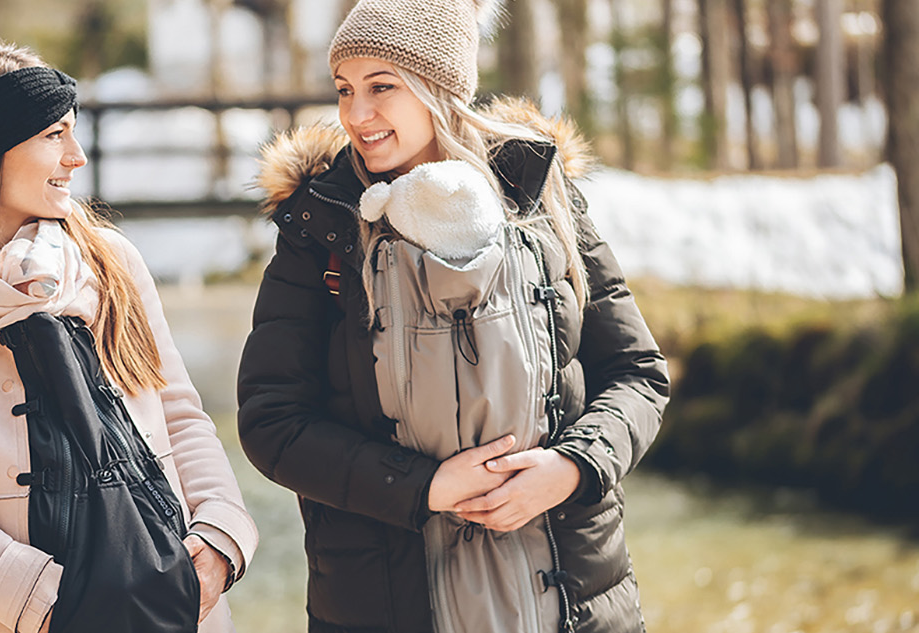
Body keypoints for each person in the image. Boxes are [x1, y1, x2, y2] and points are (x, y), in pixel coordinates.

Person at [236, 0, 669, 631]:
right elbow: (272, 422)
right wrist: (421, 487)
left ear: (440, 86)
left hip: (574, 602)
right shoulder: (321, 224)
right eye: (345, 89)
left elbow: (638, 373)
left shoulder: (543, 197)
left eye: (383, 86)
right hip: (384, 602)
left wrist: (574, 467)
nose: (358, 114)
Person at [0, 40, 257, 633]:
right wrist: (41, 600)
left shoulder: (110, 261)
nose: (78, 157)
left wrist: (220, 536)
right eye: (53, 135)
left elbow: (179, 414)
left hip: (165, 595)